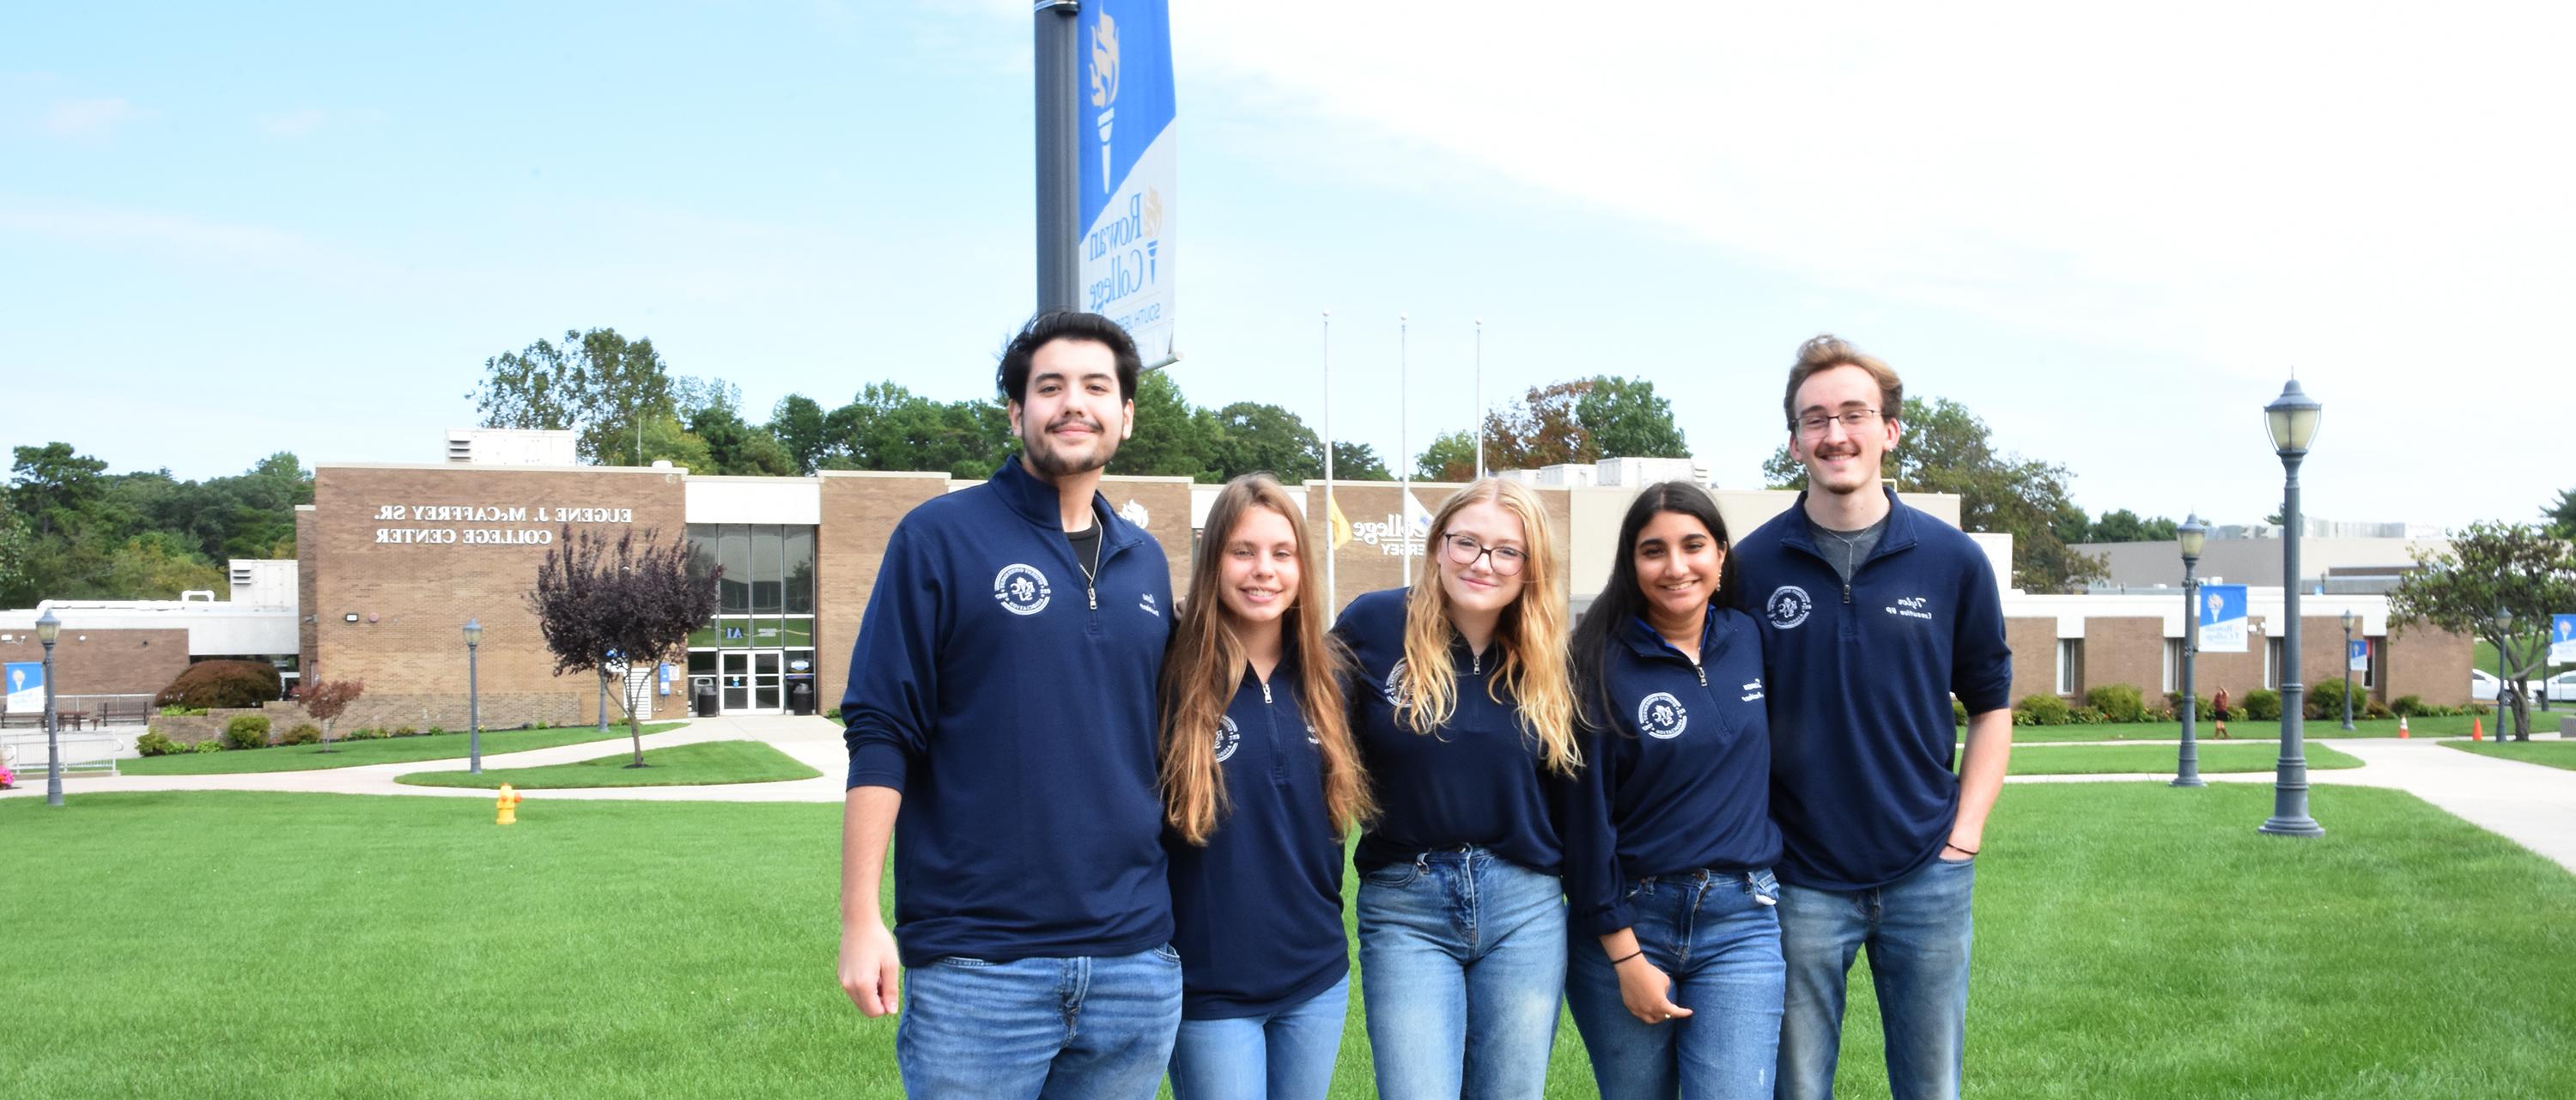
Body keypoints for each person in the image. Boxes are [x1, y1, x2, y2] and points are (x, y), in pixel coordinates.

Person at [837, 310, 1179, 1099]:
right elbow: (882, 730)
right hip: (978, 968)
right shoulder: (939, 538)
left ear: (1125, 414)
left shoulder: (1146, 562)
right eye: (1049, 386)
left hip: (1133, 964)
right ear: (1017, 410)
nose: (1073, 403)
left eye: (1096, 387)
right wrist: (861, 916)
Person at [1734, 335, 2014, 1100]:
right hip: (1798, 877)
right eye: (1815, 419)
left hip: (1928, 869)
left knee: (1931, 1086)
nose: (1835, 434)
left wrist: (1967, 830)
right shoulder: (1749, 568)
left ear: (1889, 430)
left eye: (1853, 414)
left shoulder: (1953, 561)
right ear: (1794, 441)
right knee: (1795, 1088)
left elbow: (1993, 707)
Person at [1332, 477, 1582, 1100]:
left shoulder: (1548, 652)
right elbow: (1291, 705)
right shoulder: (1372, 623)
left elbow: (1580, 794)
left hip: (1523, 907)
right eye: (1466, 541)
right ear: (1438, 545)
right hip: (1405, 902)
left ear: (1529, 566)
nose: (1482, 562)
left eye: (1506, 551)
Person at [1561, 482, 1784, 1100]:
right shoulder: (1595, 664)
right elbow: (1584, 829)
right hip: (1631, 922)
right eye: (1653, 550)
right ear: (1631, 564)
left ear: (1721, 555)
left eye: (1694, 545)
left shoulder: (1752, 639)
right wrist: (1626, 958)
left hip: (1743, 920)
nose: (1676, 566)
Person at [1158, 474, 1376, 1100]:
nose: (1264, 570)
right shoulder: (1169, 670)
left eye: (1282, 553)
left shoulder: (1333, 677)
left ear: (1303, 567)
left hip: (1316, 978)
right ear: (1213, 561)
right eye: (1242, 551)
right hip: (1210, 986)